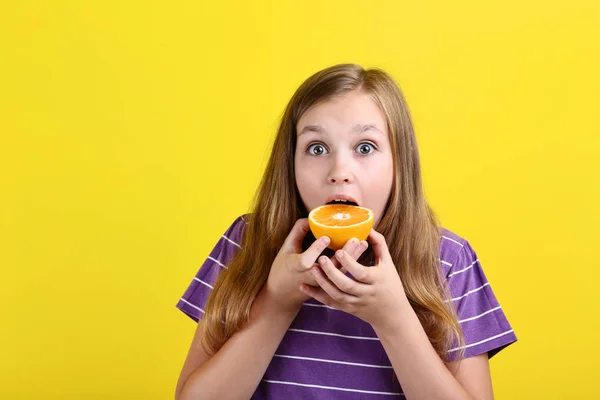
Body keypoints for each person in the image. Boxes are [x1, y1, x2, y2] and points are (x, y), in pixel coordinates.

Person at [174, 63, 517, 399]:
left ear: (400, 163)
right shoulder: (246, 243)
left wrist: (393, 319)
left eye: (365, 147)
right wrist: (276, 303)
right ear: (290, 162)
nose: (339, 171)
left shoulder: (449, 261)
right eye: (317, 148)